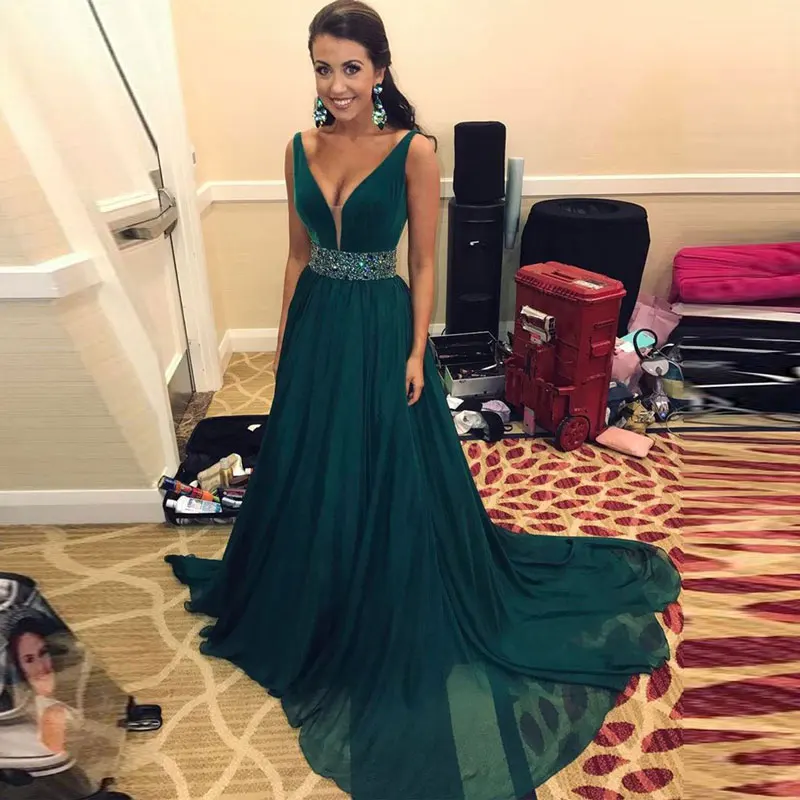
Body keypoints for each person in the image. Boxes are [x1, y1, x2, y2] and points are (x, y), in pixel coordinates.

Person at [165, 2, 681, 798]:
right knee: (309, 457)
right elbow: (298, 256)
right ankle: (309, 583)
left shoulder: (414, 150)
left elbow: (426, 265)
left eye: (350, 67)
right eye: (322, 68)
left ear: (379, 70)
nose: (336, 84)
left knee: (383, 459)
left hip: (379, 324)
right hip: (319, 322)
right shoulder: (299, 148)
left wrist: (417, 351)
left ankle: (375, 582)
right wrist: (285, 343)